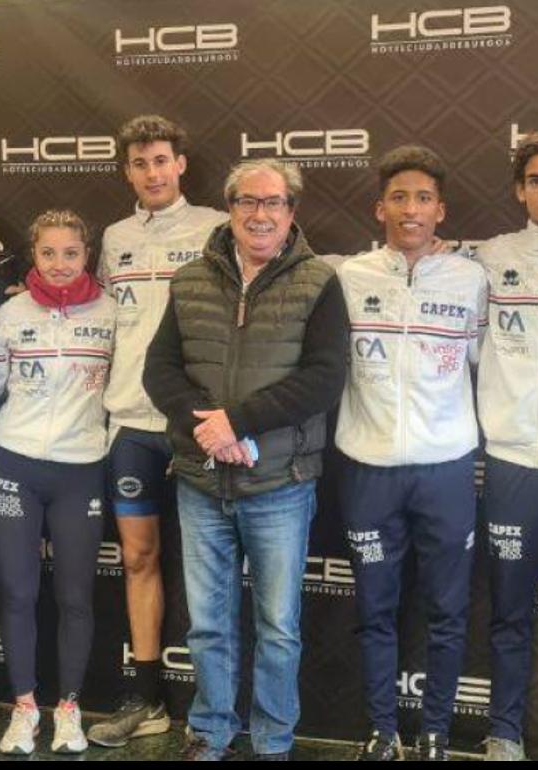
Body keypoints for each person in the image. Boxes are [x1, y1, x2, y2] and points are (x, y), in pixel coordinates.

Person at [143, 158, 348, 760]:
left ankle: (273, 741)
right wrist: (208, 430)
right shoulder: (189, 280)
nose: (260, 214)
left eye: (273, 202)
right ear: (230, 209)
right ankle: (210, 732)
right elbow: (159, 371)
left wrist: (239, 422)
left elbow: (324, 378)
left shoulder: (319, 281)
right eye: (247, 202)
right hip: (202, 481)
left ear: (291, 212)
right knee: (208, 624)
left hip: (280, 483)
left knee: (278, 628)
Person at [333, 146, 486, 762]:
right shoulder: (350, 277)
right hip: (367, 469)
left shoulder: (471, 278)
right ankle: (382, 730)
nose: (411, 209)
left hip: (446, 467)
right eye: (399, 197)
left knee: (448, 610)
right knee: (376, 609)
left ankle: (436, 735)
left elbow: (487, 363)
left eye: (423, 198)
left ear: (440, 210)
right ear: (380, 208)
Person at [88, 115, 227, 748]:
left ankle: (216, 710)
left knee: (209, 567)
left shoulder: (215, 228)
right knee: (139, 559)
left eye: (162, 160)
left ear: (181, 165)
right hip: (130, 424)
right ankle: (147, 700)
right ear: (128, 172)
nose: (152, 173)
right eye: (140, 163)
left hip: (195, 423)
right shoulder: (114, 237)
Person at [0, 210, 116, 756]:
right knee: (17, 592)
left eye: (70, 253)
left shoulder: (111, 312)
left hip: (80, 468)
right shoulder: (9, 313)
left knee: (74, 596)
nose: (59, 264)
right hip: (14, 464)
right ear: (33, 256)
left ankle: (67, 708)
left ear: (87, 255)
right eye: (48, 253)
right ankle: (24, 709)